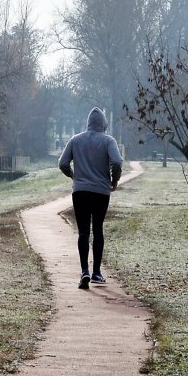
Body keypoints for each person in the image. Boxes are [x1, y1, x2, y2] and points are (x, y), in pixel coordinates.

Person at [59, 107, 122, 290]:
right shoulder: (108, 141)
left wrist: (73, 176)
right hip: (101, 192)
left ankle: (84, 271)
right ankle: (96, 273)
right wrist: (114, 180)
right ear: (103, 124)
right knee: (98, 230)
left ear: (88, 123)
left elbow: (62, 163)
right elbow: (117, 162)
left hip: (80, 192)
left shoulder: (75, 140)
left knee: (83, 231)